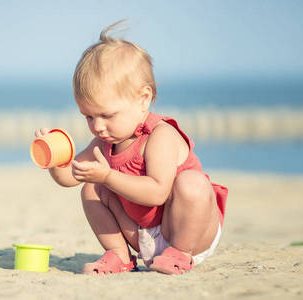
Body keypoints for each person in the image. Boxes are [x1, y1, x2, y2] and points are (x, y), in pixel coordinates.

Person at [35, 20, 228, 275]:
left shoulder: (159, 135)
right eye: (89, 117)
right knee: (92, 188)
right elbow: (69, 176)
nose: (98, 126)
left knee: (191, 183)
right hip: (144, 235)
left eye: (107, 115)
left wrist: (108, 176)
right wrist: (55, 157)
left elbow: (158, 192)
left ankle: (180, 254)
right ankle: (118, 255)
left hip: (189, 231)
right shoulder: (104, 142)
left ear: (143, 99)